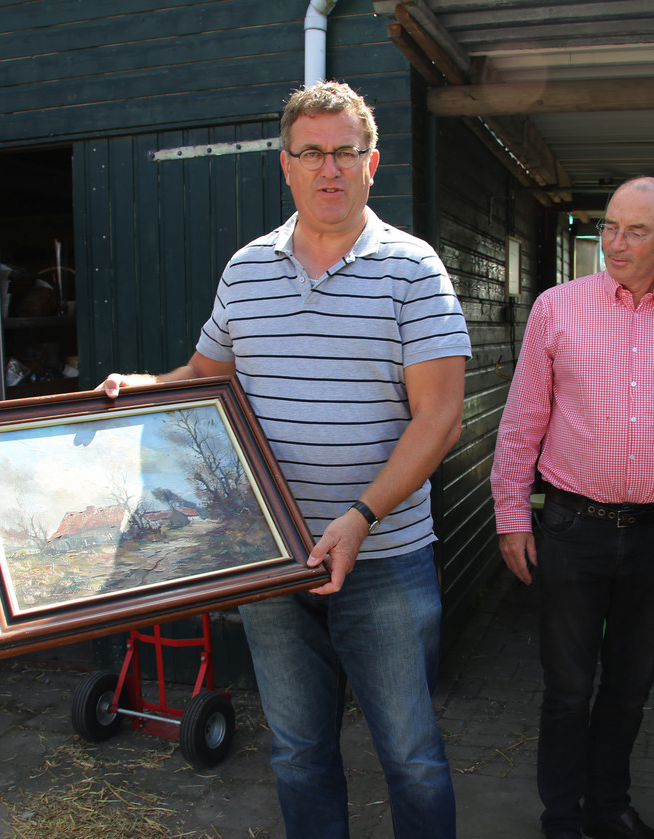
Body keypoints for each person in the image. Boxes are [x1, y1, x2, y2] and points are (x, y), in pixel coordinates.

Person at [100, 81, 470, 839]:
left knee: (412, 756)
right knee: (299, 753)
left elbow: (441, 418)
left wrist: (360, 518)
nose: (329, 168)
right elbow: (207, 374)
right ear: (286, 165)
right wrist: (143, 387)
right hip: (271, 559)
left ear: (372, 163)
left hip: (384, 559)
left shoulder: (413, 269)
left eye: (345, 152)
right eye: (311, 153)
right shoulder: (246, 270)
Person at [490, 177, 654, 839]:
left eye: (636, 230)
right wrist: (511, 515)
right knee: (568, 688)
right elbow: (522, 421)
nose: (615, 243)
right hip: (572, 526)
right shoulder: (557, 308)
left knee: (630, 686)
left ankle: (608, 807)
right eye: (609, 227)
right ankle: (561, 818)